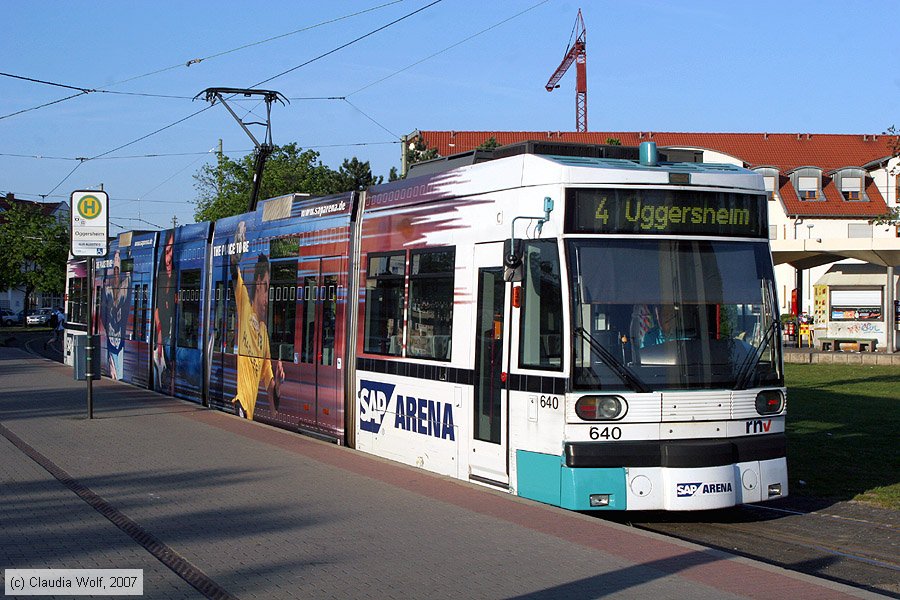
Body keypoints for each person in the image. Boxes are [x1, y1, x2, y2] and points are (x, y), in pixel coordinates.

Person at [230, 221, 284, 420]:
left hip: (249, 417)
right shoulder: (244, 303)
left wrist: (277, 384)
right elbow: (233, 271)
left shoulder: (264, 337)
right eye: (267, 289)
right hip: (241, 408)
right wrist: (236, 253)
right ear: (258, 284)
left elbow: (273, 403)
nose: (268, 298)